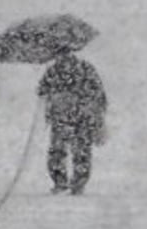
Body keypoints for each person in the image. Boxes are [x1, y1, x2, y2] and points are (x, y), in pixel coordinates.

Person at [37, 49, 107, 195]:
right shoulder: (80, 69)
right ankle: (70, 182)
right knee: (71, 151)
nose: (62, 58)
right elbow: (42, 91)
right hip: (71, 116)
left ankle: (69, 182)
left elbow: (98, 92)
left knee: (71, 150)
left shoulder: (61, 70)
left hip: (73, 116)